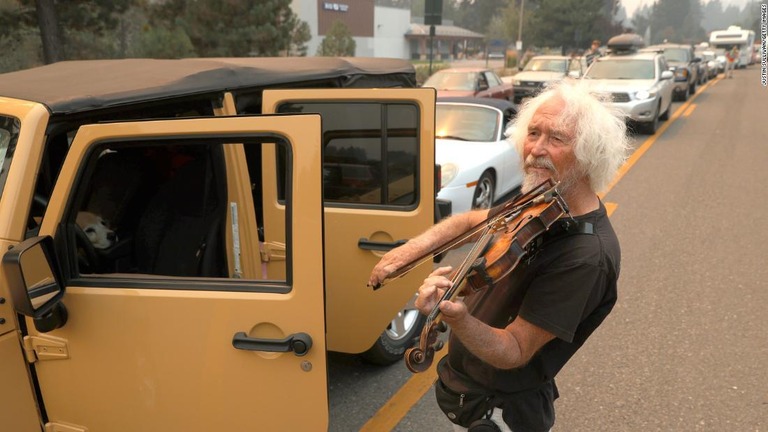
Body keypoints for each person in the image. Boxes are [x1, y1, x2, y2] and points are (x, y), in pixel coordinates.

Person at [369, 79, 630, 432]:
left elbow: (515, 350)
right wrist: (411, 250)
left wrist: (457, 317)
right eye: (533, 133)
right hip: (467, 393)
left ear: (589, 154)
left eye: (556, 138)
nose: (535, 149)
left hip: (498, 414)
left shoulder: (587, 256)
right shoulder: (545, 199)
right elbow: (474, 220)